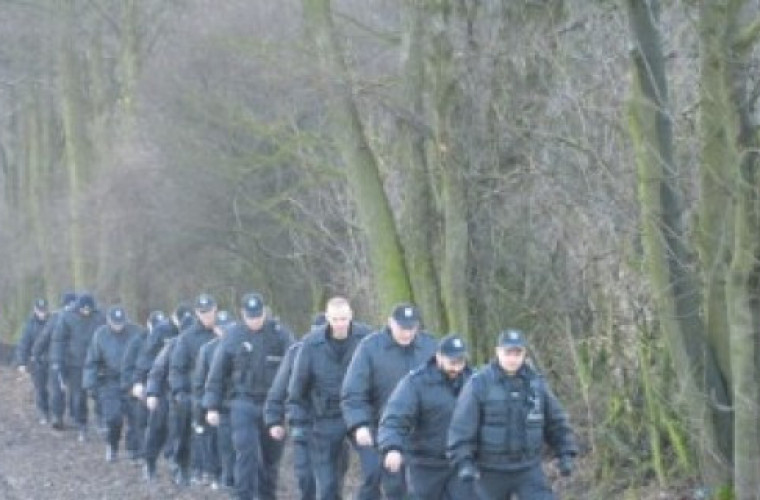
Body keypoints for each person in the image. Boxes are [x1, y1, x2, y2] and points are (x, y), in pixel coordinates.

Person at [447, 329, 578, 500]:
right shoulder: (479, 384)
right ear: (498, 352)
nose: (513, 358)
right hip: (489, 471)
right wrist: (464, 462)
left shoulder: (536, 384)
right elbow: (462, 427)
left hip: (528, 468)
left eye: (518, 353)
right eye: (508, 352)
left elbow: (556, 421)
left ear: (524, 354)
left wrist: (565, 452)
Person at [341, 302, 437, 499]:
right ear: (390, 323)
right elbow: (353, 392)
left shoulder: (430, 347)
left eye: (411, 328)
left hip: (421, 433)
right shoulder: (370, 348)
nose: (406, 334)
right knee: (382, 481)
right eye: (402, 328)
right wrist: (359, 425)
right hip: (381, 430)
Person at [204, 292, 294, 500]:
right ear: (243, 314)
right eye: (251, 316)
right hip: (242, 403)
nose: (255, 320)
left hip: (273, 406)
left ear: (265, 312)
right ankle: (242, 495)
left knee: (271, 459)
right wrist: (212, 406)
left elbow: (295, 368)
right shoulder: (233, 336)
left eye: (259, 315)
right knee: (247, 454)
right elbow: (217, 373)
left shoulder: (280, 335)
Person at [288, 299, 373, 500]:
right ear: (327, 318)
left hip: (360, 414)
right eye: (335, 319)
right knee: (327, 484)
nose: (340, 324)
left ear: (351, 315)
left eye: (343, 318)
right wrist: (299, 422)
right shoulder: (311, 344)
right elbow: (298, 388)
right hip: (325, 417)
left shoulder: (368, 339)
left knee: (374, 470)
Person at [378, 334, 474, 500]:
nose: (457, 368)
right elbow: (395, 417)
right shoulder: (415, 383)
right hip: (425, 464)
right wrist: (392, 447)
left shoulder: (474, 382)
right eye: (452, 363)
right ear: (439, 357)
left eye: (460, 362)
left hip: (461, 462)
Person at [264, 312, 326, 500]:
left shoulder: (348, 354)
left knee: (331, 479)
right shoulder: (296, 352)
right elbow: (279, 389)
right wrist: (274, 419)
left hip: (333, 424)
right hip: (303, 422)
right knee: (305, 475)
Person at [169, 293, 217, 486]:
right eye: (202, 313)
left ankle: (212, 470)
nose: (207, 316)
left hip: (217, 392)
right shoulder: (186, 338)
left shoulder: (225, 332)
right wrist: (180, 391)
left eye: (210, 312)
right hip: (192, 392)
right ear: (197, 313)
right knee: (184, 430)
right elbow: (177, 367)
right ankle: (183, 466)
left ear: (216, 310)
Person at [83, 305, 141, 462]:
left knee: (135, 417)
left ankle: (133, 449)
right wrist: (90, 383)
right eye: (115, 323)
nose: (118, 326)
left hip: (131, 380)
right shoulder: (100, 335)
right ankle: (112, 445)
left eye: (121, 322)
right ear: (109, 321)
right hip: (110, 381)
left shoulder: (136, 333)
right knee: (113, 417)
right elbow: (92, 361)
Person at [50, 292, 106, 440]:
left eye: (89, 309)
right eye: (84, 309)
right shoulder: (67, 318)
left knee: (100, 392)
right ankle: (82, 425)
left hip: (96, 362)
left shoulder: (100, 317)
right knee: (78, 396)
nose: (86, 312)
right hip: (75, 363)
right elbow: (59, 341)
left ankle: (102, 420)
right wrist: (58, 361)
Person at [192, 309, 235, 490]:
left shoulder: (242, 348)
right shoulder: (207, 350)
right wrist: (207, 407)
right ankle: (219, 475)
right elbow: (200, 382)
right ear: (216, 330)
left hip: (237, 402)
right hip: (217, 404)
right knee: (216, 442)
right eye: (221, 329)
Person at [122, 310, 166, 462]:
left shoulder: (166, 341)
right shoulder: (137, 342)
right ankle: (136, 449)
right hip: (139, 385)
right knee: (137, 420)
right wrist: (132, 385)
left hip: (157, 385)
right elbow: (128, 366)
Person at [33, 292, 77, 430]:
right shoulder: (80, 318)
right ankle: (71, 416)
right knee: (72, 389)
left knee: (59, 389)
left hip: (59, 358)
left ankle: (59, 416)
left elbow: (44, 337)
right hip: (70, 359)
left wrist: (36, 352)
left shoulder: (56, 318)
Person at [143, 320, 181, 482]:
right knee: (156, 428)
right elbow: (157, 370)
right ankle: (150, 462)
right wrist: (152, 392)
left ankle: (177, 462)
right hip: (164, 391)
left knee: (179, 430)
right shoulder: (172, 345)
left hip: (183, 394)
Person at [15, 298, 50, 424]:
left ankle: (55, 412)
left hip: (51, 360)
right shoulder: (29, 325)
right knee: (40, 389)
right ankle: (43, 413)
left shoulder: (53, 322)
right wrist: (22, 362)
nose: (43, 313)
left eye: (44, 310)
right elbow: (24, 344)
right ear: (35, 310)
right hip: (37, 362)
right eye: (40, 310)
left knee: (53, 388)